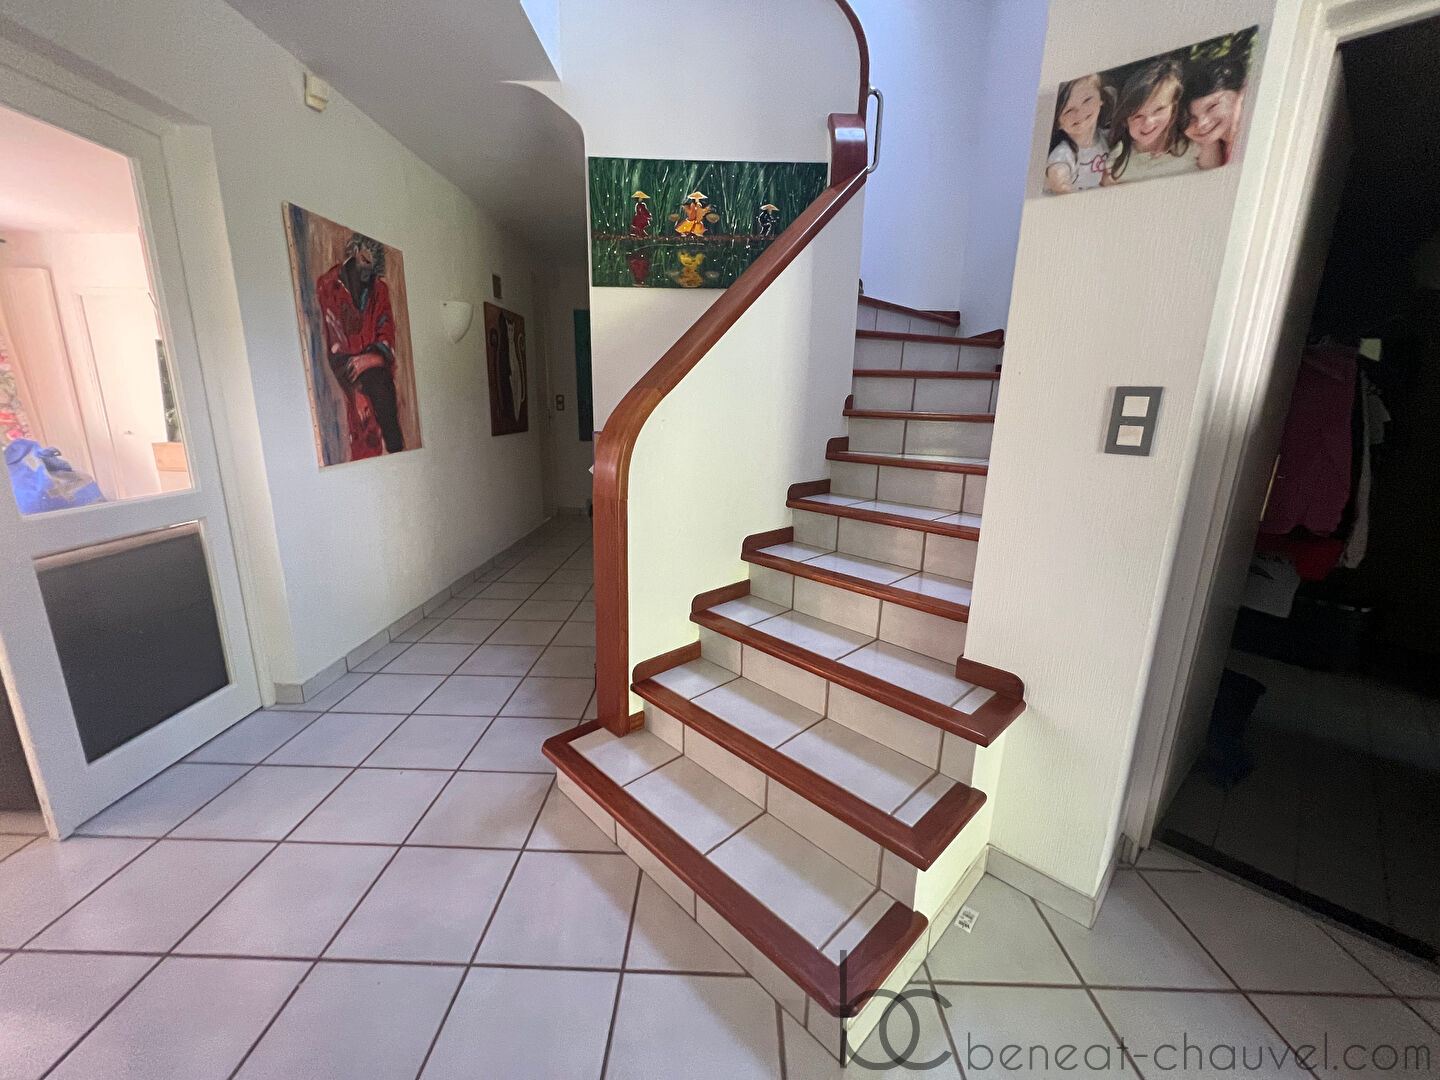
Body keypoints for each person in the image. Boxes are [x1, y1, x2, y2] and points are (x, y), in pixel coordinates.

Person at [317, 233, 405, 459]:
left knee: (382, 389)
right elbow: (335, 343)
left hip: (376, 368)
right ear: (354, 252)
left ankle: (396, 449)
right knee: (363, 434)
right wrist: (356, 390)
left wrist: (372, 359)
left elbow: (386, 330)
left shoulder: (379, 289)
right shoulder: (329, 285)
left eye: (372, 266)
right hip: (346, 370)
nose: (368, 271)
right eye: (365, 261)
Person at [1103, 57, 1198, 185]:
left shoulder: (1194, 146)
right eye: (1138, 115)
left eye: (1159, 109)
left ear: (1173, 107)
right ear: (1125, 119)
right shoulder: (1114, 163)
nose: (1148, 122)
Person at [1045, 73, 1111, 194]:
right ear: (1057, 122)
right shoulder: (1064, 153)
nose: (1080, 113)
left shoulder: (1108, 138)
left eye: (1087, 100)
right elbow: (1060, 183)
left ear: (1101, 98)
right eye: (1069, 110)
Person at [1185, 56, 1246, 169]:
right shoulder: (1221, 147)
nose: (1201, 123)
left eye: (1212, 106)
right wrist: (1208, 142)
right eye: (1191, 117)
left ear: (1239, 93)